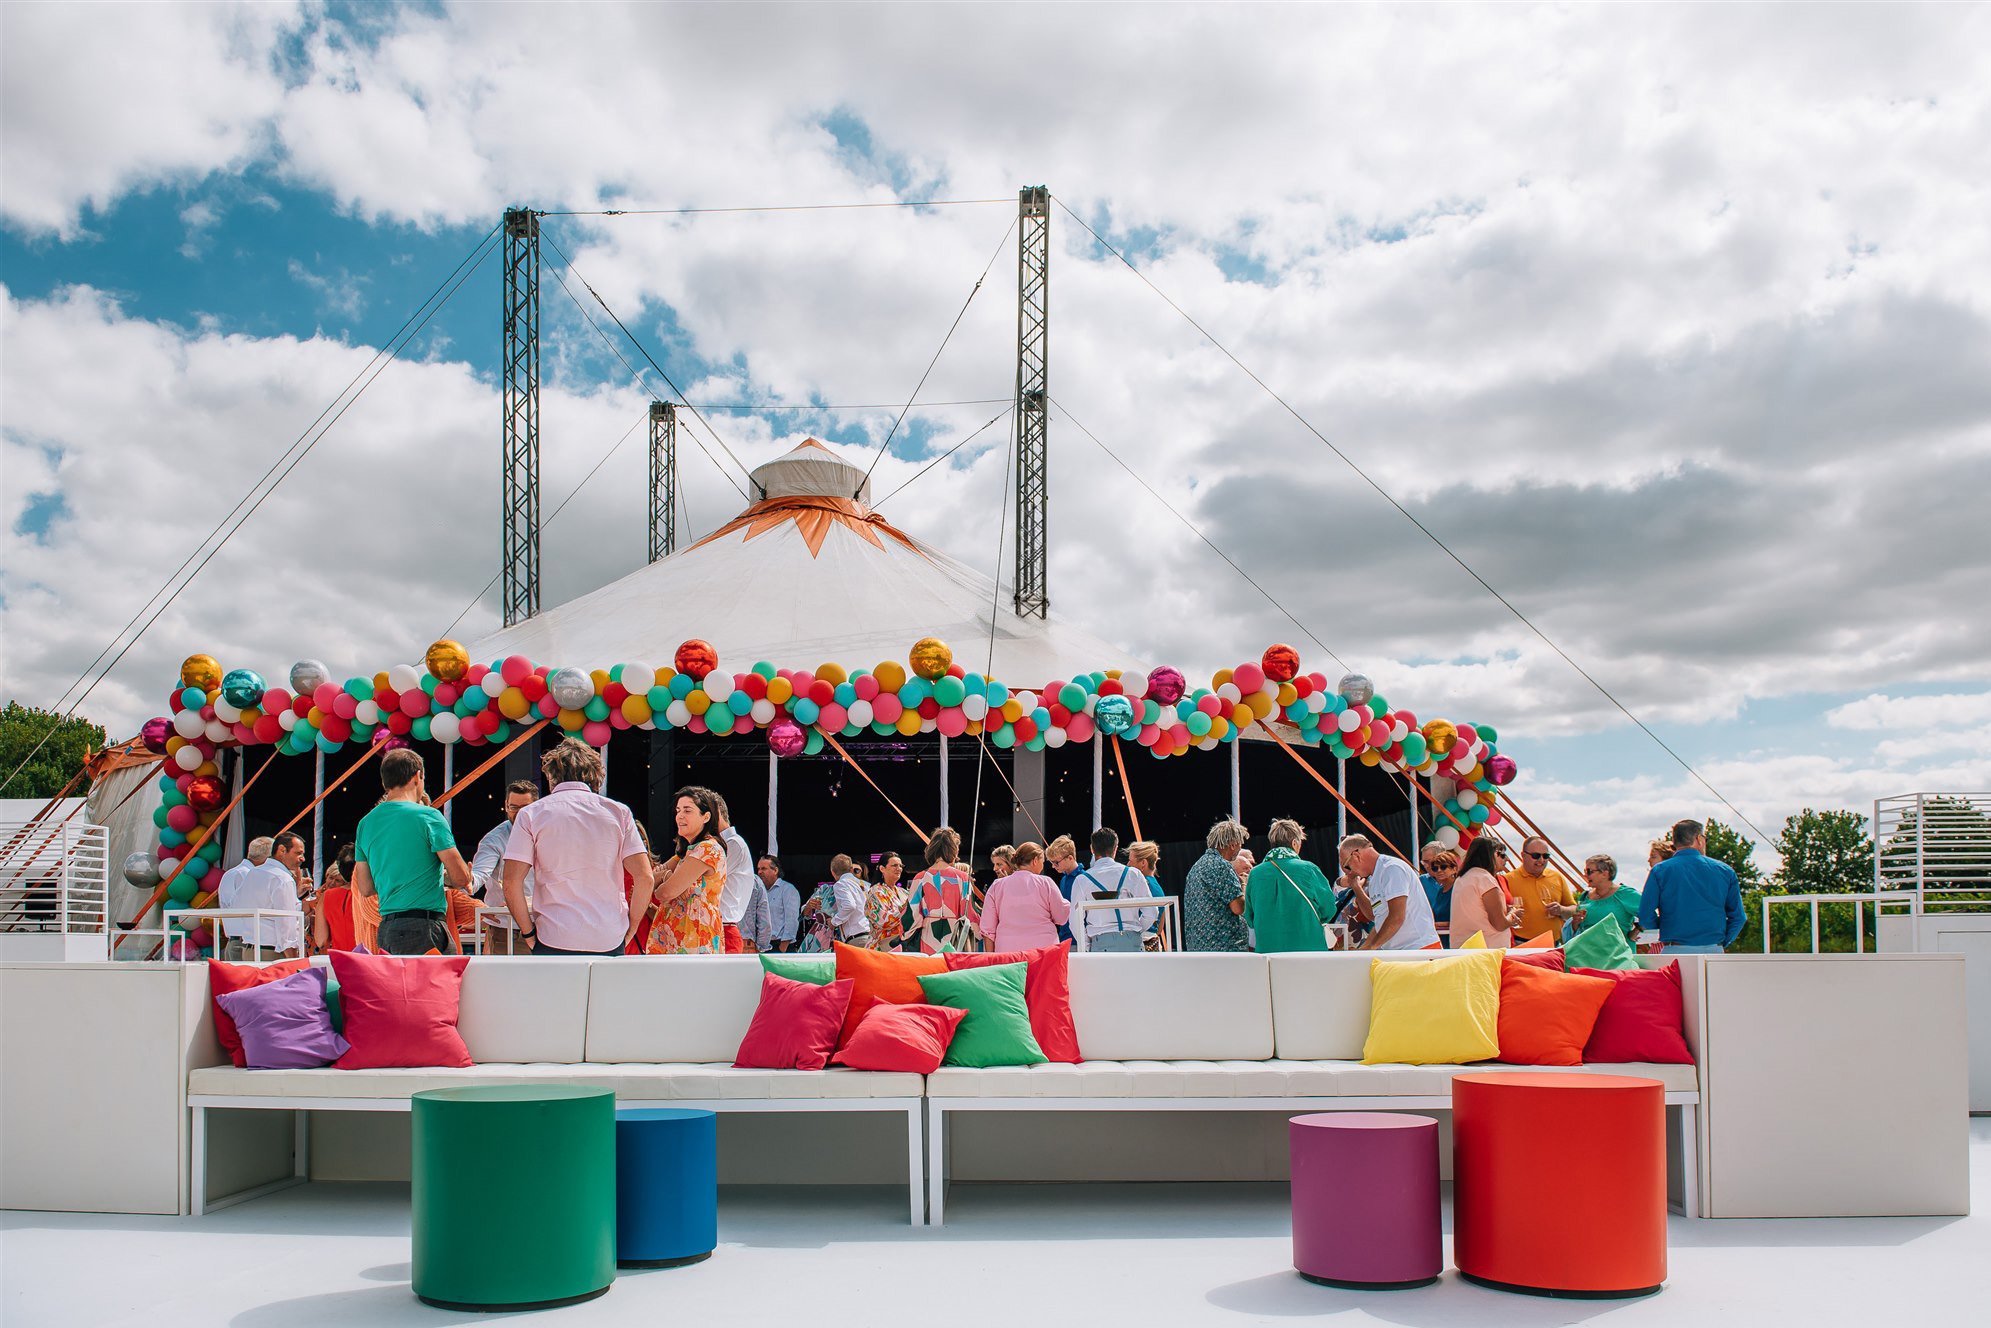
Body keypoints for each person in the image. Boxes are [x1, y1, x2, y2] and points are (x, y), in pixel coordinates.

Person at [498, 738, 652, 956]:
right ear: (595, 775)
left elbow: (511, 881)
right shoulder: (619, 812)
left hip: (553, 935)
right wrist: (632, 927)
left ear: (551, 776)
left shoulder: (531, 814)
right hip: (608, 935)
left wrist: (528, 934)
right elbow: (645, 877)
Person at [352, 750, 471, 955]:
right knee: (440, 986)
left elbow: (366, 888)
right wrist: (453, 877)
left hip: (387, 930)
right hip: (424, 926)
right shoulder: (428, 816)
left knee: (398, 988)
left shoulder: (366, 823)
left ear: (384, 782)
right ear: (417, 776)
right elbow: (461, 878)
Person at [1637, 819, 1744, 954]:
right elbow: (1738, 917)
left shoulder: (1660, 871)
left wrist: (1663, 925)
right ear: (1699, 838)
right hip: (1713, 949)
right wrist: (1723, 941)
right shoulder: (1725, 871)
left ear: (1675, 841)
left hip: (1674, 949)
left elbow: (1645, 915)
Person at [644, 787, 729, 954]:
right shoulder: (688, 851)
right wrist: (665, 877)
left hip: (694, 941)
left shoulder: (707, 849)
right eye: (678, 810)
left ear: (706, 817)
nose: (679, 816)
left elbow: (664, 893)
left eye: (687, 810)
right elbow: (650, 879)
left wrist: (665, 875)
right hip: (679, 940)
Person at [1243, 819, 1339, 953]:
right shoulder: (1309, 869)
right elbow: (1329, 909)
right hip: (1308, 950)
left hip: (1268, 952)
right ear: (1294, 843)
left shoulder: (1255, 873)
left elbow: (1249, 916)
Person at [1340, 834, 1442, 951]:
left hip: (1420, 949)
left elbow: (1397, 917)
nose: (1349, 873)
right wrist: (1356, 887)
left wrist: (1372, 947)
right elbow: (1376, 917)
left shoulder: (1391, 868)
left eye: (1347, 867)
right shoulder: (1376, 876)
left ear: (1356, 856)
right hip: (1405, 951)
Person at [469, 780, 537, 954]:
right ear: (506, 806)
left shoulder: (547, 834)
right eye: (514, 807)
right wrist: (468, 880)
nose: (519, 814)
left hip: (547, 928)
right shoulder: (494, 839)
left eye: (525, 808)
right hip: (507, 931)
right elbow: (478, 876)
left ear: (536, 806)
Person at [216, 834, 307, 960]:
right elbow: (286, 926)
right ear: (282, 850)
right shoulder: (282, 879)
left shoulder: (253, 873)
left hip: (248, 950)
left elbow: (237, 906)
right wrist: (292, 959)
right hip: (272, 952)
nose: (302, 858)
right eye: (298, 853)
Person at [1068, 827, 1159, 953]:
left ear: (1092, 849)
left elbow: (1075, 922)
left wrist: (1087, 946)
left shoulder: (1081, 880)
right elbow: (1152, 912)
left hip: (1100, 944)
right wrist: (1135, 929)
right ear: (1115, 848)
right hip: (1133, 943)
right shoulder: (1133, 874)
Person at [977, 841, 1071, 951]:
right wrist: (1067, 904)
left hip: (1008, 952)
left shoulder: (997, 886)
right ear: (1035, 861)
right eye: (1043, 861)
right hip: (1043, 952)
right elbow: (1061, 917)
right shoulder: (1046, 883)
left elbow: (987, 929)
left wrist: (991, 959)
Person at [901, 828, 981, 953]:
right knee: (952, 971)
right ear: (953, 850)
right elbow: (969, 913)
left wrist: (906, 934)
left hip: (928, 936)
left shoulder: (920, 877)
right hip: (955, 937)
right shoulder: (962, 877)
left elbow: (912, 914)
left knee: (931, 971)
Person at [1184, 819, 1250, 952]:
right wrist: (1244, 885)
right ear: (1233, 844)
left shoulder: (1196, 867)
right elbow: (1238, 908)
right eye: (1240, 844)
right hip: (1224, 948)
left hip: (1198, 946)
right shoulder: (1222, 866)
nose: (1239, 848)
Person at [1448, 836, 1523, 948]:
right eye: (1502, 855)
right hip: (1488, 950)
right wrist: (1513, 915)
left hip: (1464, 949)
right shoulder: (1485, 879)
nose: (1507, 859)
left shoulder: (1461, 878)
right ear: (1491, 854)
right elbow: (1499, 924)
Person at [708, 794, 757, 955]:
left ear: (716, 813)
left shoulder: (732, 844)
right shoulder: (723, 844)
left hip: (724, 930)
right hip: (717, 928)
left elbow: (701, 881)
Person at [1553, 853, 1642, 942]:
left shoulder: (1626, 894)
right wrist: (1575, 923)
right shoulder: (1585, 896)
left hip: (1618, 953)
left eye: (1589, 871)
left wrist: (1636, 931)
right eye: (1585, 871)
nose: (1585, 875)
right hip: (1588, 952)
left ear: (1605, 874)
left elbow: (1649, 913)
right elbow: (1580, 929)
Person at [1507, 836, 1574, 945]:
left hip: (1553, 943)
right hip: (1521, 943)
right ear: (1523, 855)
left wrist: (1561, 910)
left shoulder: (1557, 877)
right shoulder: (1508, 879)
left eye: (1546, 856)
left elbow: (1573, 909)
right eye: (1536, 856)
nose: (1541, 860)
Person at [312, 843, 358, 953]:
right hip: (368, 959)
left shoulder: (326, 896)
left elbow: (321, 940)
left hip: (339, 959)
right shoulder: (372, 896)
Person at [864, 851, 909, 950]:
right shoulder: (876, 892)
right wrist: (906, 908)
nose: (899, 869)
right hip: (881, 947)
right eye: (894, 865)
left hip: (900, 946)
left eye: (900, 866)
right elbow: (883, 921)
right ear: (882, 868)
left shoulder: (904, 892)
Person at [827, 853, 872, 945]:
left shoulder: (840, 884)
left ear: (832, 872)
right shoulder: (866, 885)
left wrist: (834, 921)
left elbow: (849, 906)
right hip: (871, 936)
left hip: (857, 938)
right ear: (851, 869)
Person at [759, 856, 801, 952]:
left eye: (764, 868)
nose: (760, 872)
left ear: (775, 870)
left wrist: (783, 947)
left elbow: (792, 919)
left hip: (780, 946)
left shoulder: (788, 889)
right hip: (762, 946)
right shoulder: (759, 892)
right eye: (758, 869)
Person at [1418, 841, 1455, 942]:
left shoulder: (1459, 885)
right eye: (1423, 862)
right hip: (1431, 938)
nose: (1426, 865)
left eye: (1428, 861)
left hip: (1454, 938)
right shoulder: (1420, 881)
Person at [737, 868, 774, 954]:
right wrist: (760, 947)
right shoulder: (754, 881)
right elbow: (764, 920)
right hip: (746, 944)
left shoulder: (717, 876)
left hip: (716, 940)